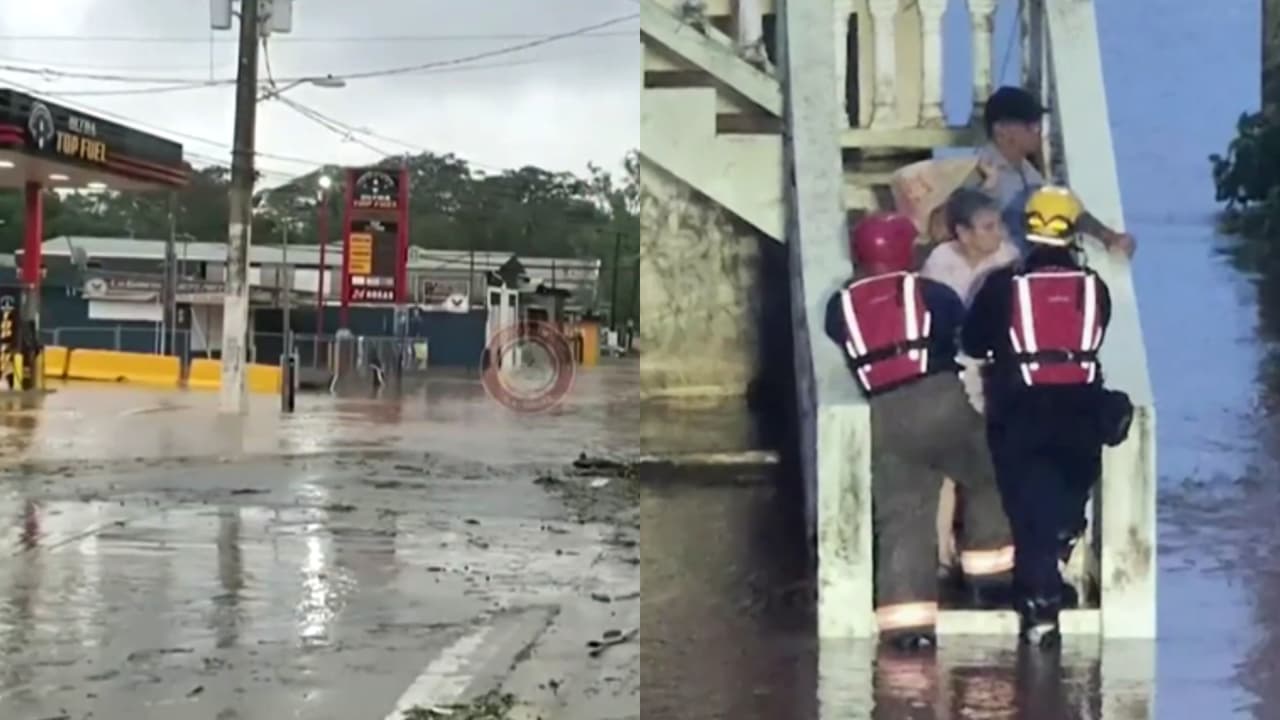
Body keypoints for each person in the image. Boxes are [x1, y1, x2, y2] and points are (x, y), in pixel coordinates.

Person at [825, 211, 1015, 651]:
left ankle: (907, 627)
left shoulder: (840, 305)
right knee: (991, 471)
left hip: (884, 416)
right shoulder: (932, 293)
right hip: (939, 400)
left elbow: (841, 335)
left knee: (903, 516)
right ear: (904, 251)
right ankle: (986, 577)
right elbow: (960, 332)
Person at [962, 185, 1133, 648]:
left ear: (1029, 227)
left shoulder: (1002, 285)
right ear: (1073, 231)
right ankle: (1061, 546)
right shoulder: (1093, 287)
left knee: (1028, 510)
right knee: (1066, 498)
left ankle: (1040, 609)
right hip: (1080, 408)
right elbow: (1095, 337)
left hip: (1022, 410)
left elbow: (974, 342)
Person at [973, 86, 1137, 258]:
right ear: (1001, 130)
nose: (1039, 133)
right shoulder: (976, 172)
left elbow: (1065, 210)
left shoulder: (1030, 173)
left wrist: (1107, 236)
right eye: (1031, 126)